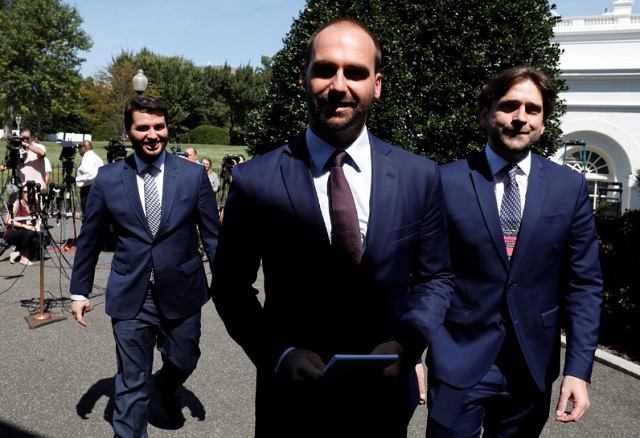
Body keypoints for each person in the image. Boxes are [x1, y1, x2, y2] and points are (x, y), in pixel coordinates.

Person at [211, 18, 454, 438]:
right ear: (303, 77)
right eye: (325, 69)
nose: (339, 85)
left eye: (356, 72)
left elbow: (435, 278)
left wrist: (406, 345)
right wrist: (279, 353)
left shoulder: (420, 176)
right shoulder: (256, 181)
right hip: (291, 399)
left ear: (376, 85)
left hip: (385, 399)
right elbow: (231, 287)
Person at [425, 65, 603, 437]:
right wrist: (412, 350)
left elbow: (584, 284)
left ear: (542, 121)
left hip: (531, 366)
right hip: (458, 358)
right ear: (486, 113)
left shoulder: (568, 187)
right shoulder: (443, 181)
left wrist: (578, 369)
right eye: (509, 106)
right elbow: (421, 274)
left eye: (533, 109)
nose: (521, 118)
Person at [69, 95, 221, 437]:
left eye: (159, 126)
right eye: (143, 128)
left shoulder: (194, 176)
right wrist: (79, 290)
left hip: (183, 291)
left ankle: (166, 384)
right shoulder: (108, 180)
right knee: (130, 385)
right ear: (128, 132)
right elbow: (90, 239)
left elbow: (213, 237)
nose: (153, 134)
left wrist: (227, 285)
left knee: (184, 359)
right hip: (130, 295)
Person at [3, 184, 40, 266]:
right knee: (28, 232)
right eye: (25, 192)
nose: (27, 194)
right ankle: (24, 257)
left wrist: (39, 233)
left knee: (40, 242)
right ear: (22, 193)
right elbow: (8, 220)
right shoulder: (17, 202)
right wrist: (25, 226)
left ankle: (17, 252)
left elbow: (36, 223)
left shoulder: (34, 204)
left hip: (28, 233)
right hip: (13, 232)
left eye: (29, 192)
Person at [75, 140, 104, 218]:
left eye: (80, 147)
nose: (78, 151)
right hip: (97, 188)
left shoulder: (87, 157)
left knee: (88, 216)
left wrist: (76, 179)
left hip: (88, 190)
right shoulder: (97, 158)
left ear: (84, 147)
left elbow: (91, 174)